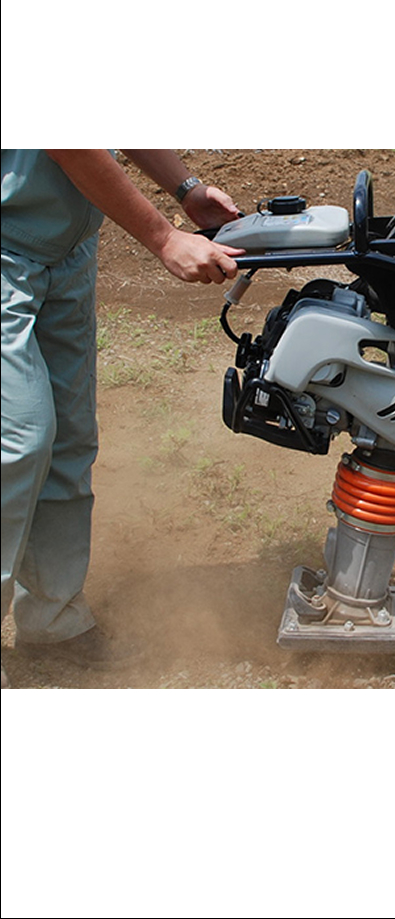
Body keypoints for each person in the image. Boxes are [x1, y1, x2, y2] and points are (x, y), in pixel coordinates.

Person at [1, 149, 244, 685]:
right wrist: (164, 238)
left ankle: (53, 619)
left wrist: (186, 188)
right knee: (17, 440)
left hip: (64, 248)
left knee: (68, 440)